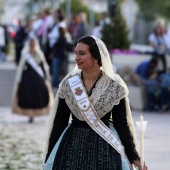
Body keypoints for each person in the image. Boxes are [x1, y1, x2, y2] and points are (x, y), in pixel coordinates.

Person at [43, 36, 148, 170]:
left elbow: (121, 124)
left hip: (105, 147)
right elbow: (59, 122)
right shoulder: (69, 84)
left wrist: (134, 157)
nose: (76, 58)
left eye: (82, 53)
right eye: (76, 53)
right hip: (72, 145)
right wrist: (50, 157)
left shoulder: (114, 85)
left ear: (96, 57)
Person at [11, 38, 54, 123]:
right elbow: (21, 66)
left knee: (39, 95)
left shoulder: (39, 54)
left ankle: (36, 113)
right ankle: (30, 114)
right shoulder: (25, 54)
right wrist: (20, 78)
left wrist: (46, 77)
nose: (32, 46)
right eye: (31, 44)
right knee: (27, 95)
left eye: (33, 44)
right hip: (27, 78)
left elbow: (43, 66)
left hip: (38, 78)